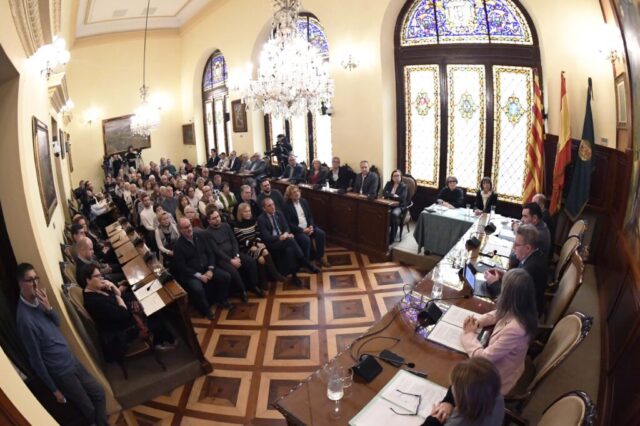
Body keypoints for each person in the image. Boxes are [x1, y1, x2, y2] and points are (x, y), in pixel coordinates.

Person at [15, 263, 108, 425]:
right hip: (61, 372)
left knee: (99, 393)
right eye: (30, 280)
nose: (35, 284)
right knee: (89, 409)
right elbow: (35, 360)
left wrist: (48, 308)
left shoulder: (40, 300)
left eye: (36, 278)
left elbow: (57, 322)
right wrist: (54, 390)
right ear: (20, 284)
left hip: (71, 359)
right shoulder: (24, 320)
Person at [461, 268, 538, 395]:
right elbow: (500, 313)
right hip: (507, 365)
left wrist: (469, 335)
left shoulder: (516, 330)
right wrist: (478, 322)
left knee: (457, 376)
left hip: (498, 379)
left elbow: (483, 359)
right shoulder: (523, 307)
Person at [80, 262, 177, 362]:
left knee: (148, 304)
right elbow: (123, 313)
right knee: (154, 316)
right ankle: (162, 341)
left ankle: (162, 337)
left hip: (122, 317)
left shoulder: (96, 288)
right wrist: (120, 299)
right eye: (97, 276)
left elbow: (118, 296)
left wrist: (112, 286)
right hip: (121, 332)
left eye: (101, 275)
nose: (102, 278)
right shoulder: (93, 302)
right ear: (87, 280)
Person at [172, 218, 233, 319]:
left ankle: (221, 299)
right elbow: (182, 267)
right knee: (198, 289)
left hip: (207, 268)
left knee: (226, 277)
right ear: (180, 230)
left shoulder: (200, 236)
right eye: (185, 227)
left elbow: (210, 253)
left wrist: (210, 269)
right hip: (192, 274)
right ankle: (206, 310)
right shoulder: (178, 246)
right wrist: (199, 276)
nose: (189, 229)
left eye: (189, 226)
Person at [484, 224, 548, 314]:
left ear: (528, 248)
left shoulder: (529, 270)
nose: (513, 248)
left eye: (516, 245)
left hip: (523, 315)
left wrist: (493, 283)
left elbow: (509, 301)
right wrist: (506, 275)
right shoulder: (535, 255)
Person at [257, 197, 320, 286]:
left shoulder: (279, 213)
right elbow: (267, 237)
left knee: (290, 249)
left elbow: (286, 227)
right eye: (269, 206)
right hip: (272, 243)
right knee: (291, 240)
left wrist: (286, 233)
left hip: (284, 239)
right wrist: (280, 237)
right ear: (264, 208)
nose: (273, 207)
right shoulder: (261, 219)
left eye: (273, 204)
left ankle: (295, 275)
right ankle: (305, 263)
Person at [423, 358, 504, 426]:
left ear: (463, 397)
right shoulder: (496, 396)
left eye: (454, 386)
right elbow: (464, 385)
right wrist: (448, 401)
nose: (452, 387)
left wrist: (432, 421)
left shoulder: (457, 423)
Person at [203, 210, 264, 302]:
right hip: (222, 259)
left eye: (218, 216)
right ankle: (242, 291)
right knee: (234, 272)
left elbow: (234, 241)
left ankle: (254, 286)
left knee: (251, 262)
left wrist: (236, 256)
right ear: (209, 221)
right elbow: (217, 251)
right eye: (214, 218)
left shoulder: (226, 226)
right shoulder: (207, 233)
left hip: (234, 254)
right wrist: (231, 261)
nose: (217, 219)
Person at [233, 202, 286, 284]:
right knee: (264, 252)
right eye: (245, 211)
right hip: (245, 249)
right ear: (240, 213)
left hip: (256, 246)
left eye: (249, 211)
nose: (248, 213)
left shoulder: (254, 221)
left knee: (261, 259)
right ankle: (275, 275)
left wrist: (256, 244)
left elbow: (258, 235)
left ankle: (264, 282)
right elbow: (243, 241)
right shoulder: (236, 225)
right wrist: (255, 244)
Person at [283, 185, 330, 267]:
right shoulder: (287, 206)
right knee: (306, 240)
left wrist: (311, 226)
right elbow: (289, 224)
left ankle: (319, 257)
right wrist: (303, 230)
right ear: (289, 196)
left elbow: (310, 216)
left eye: (298, 191)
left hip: (308, 227)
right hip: (298, 230)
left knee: (321, 234)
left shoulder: (304, 201)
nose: (297, 193)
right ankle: (307, 263)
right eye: (294, 192)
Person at [382, 169, 408, 243]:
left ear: (400, 176)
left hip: (399, 206)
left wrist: (389, 195)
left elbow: (402, 198)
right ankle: (382, 234)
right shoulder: (388, 184)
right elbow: (384, 193)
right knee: (380, 211)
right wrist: (394, 195)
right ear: (392, 177)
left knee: (394, 214)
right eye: (394, 176)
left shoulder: (404, 186)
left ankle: (392, 238)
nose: (396, 177)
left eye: (398, 175)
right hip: (389, 204)